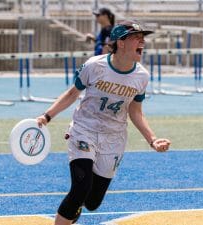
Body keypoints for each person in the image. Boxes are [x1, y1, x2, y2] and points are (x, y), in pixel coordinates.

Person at [36, 20, 171, 225]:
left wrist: (152, 140)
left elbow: (135, 111)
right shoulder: (94, 65)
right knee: (80, 188)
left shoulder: (142, 76)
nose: (142, 41)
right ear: (121, 42)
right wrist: (47, 116)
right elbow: (73, 93)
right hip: (84, 129)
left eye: (143, 37)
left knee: (92, 202)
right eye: (137, 37)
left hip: (114, 138)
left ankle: (76, 206)